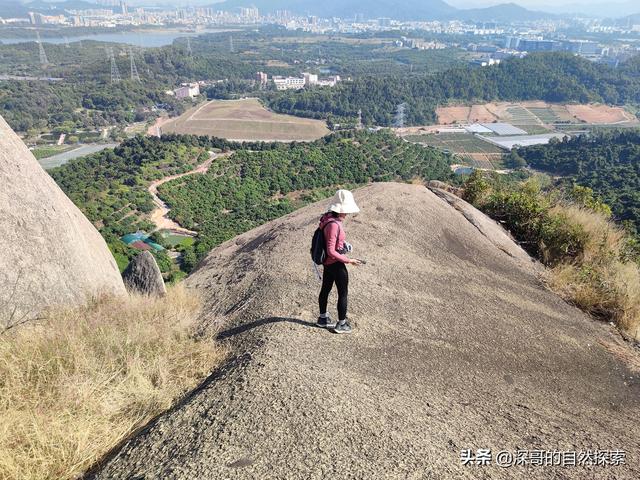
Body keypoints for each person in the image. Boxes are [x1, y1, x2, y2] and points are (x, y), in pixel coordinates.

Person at [317, 189, 362, 334]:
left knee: (326, 289)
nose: (347, 214)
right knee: (343, 293)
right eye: (346, 211)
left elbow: (331, 241)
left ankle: (323, 319)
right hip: (335, 263)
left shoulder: (327, 219)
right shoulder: (334, 224)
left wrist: (343, 244)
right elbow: (331, 250)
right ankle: (341, 324)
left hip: (328, 263)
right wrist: (349, 260)